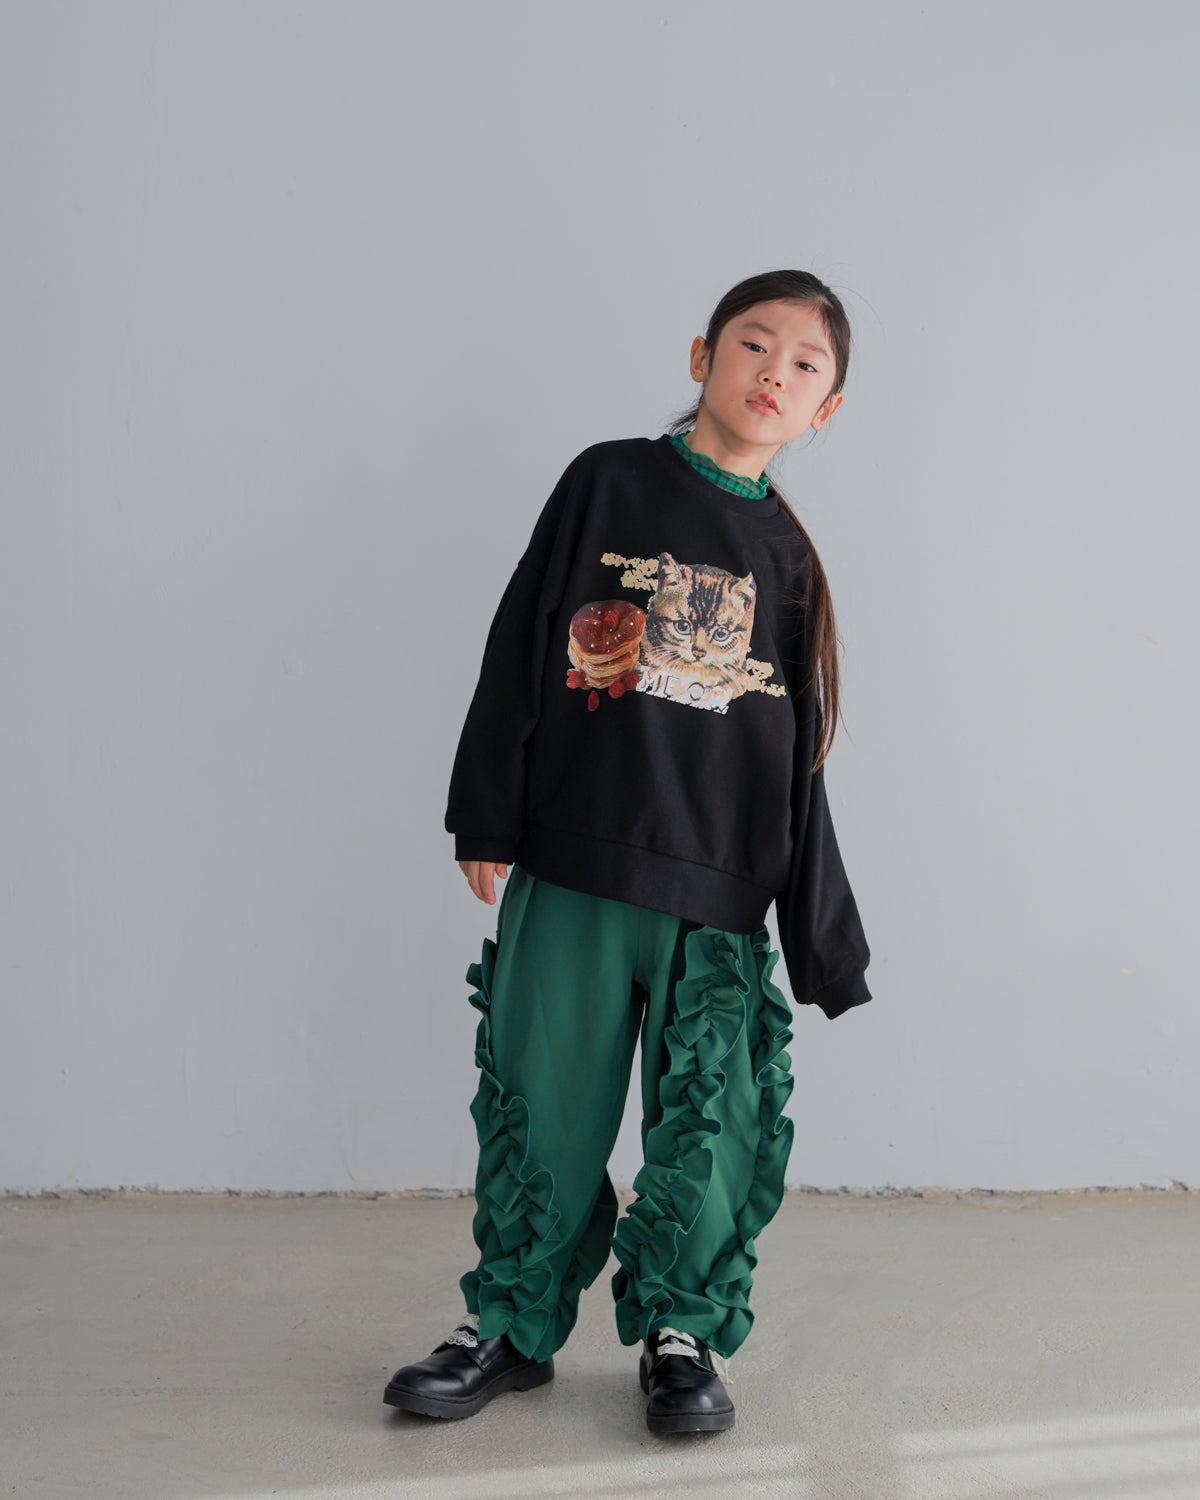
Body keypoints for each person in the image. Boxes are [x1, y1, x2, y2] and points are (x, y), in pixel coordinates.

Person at [384, 268, 873, 1436]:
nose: (773, 373)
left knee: (711, 1122)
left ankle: (682, 1333)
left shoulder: (790, 561)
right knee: (540, 1106)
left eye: (804, 365)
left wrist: (820, 932)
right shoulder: (606, 481)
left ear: (826, 409)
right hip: (576, 866)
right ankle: (510, 1323)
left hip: (717, 892)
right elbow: (522, 635)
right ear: (701, 357)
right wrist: (486, 812)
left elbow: (796, 754)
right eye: (753, 344)